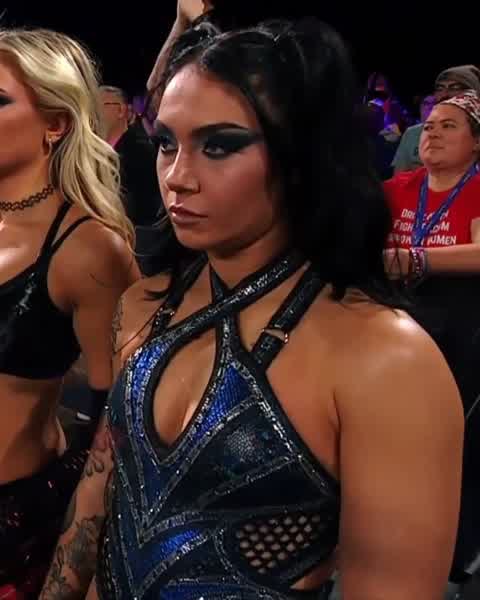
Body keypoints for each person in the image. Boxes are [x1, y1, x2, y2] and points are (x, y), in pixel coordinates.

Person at [41, 16, 463, 600]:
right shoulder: (142, 304)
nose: (177, 177)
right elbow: (98, 494)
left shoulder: (388, 361)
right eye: (166, 143)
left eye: (219, 145)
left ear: (301, 156)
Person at [0, 28, 139, 597]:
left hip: (12, 532)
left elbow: (120, 421)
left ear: (55, 123)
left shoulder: (89, 248)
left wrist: (75, 568)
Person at [384, 90, 480, 596]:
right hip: (395, 326)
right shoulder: (399, 187)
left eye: (449, 126)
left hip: (460, 331)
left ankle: (450, 555)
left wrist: (416, 258)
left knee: (447, 445)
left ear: (476, 143)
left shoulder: (478, 188)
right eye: (430, 125)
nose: (433, 134)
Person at [392, 65, 480, 174]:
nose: (445, 94)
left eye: (455, 88)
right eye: (440, 88)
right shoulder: (414, 133)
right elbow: (399, 176)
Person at [99, 85, 162, 229]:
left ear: (121, 110)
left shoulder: (140, 151)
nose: (93, 113)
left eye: (99, 106)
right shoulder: (97, 154)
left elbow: (144, 208)